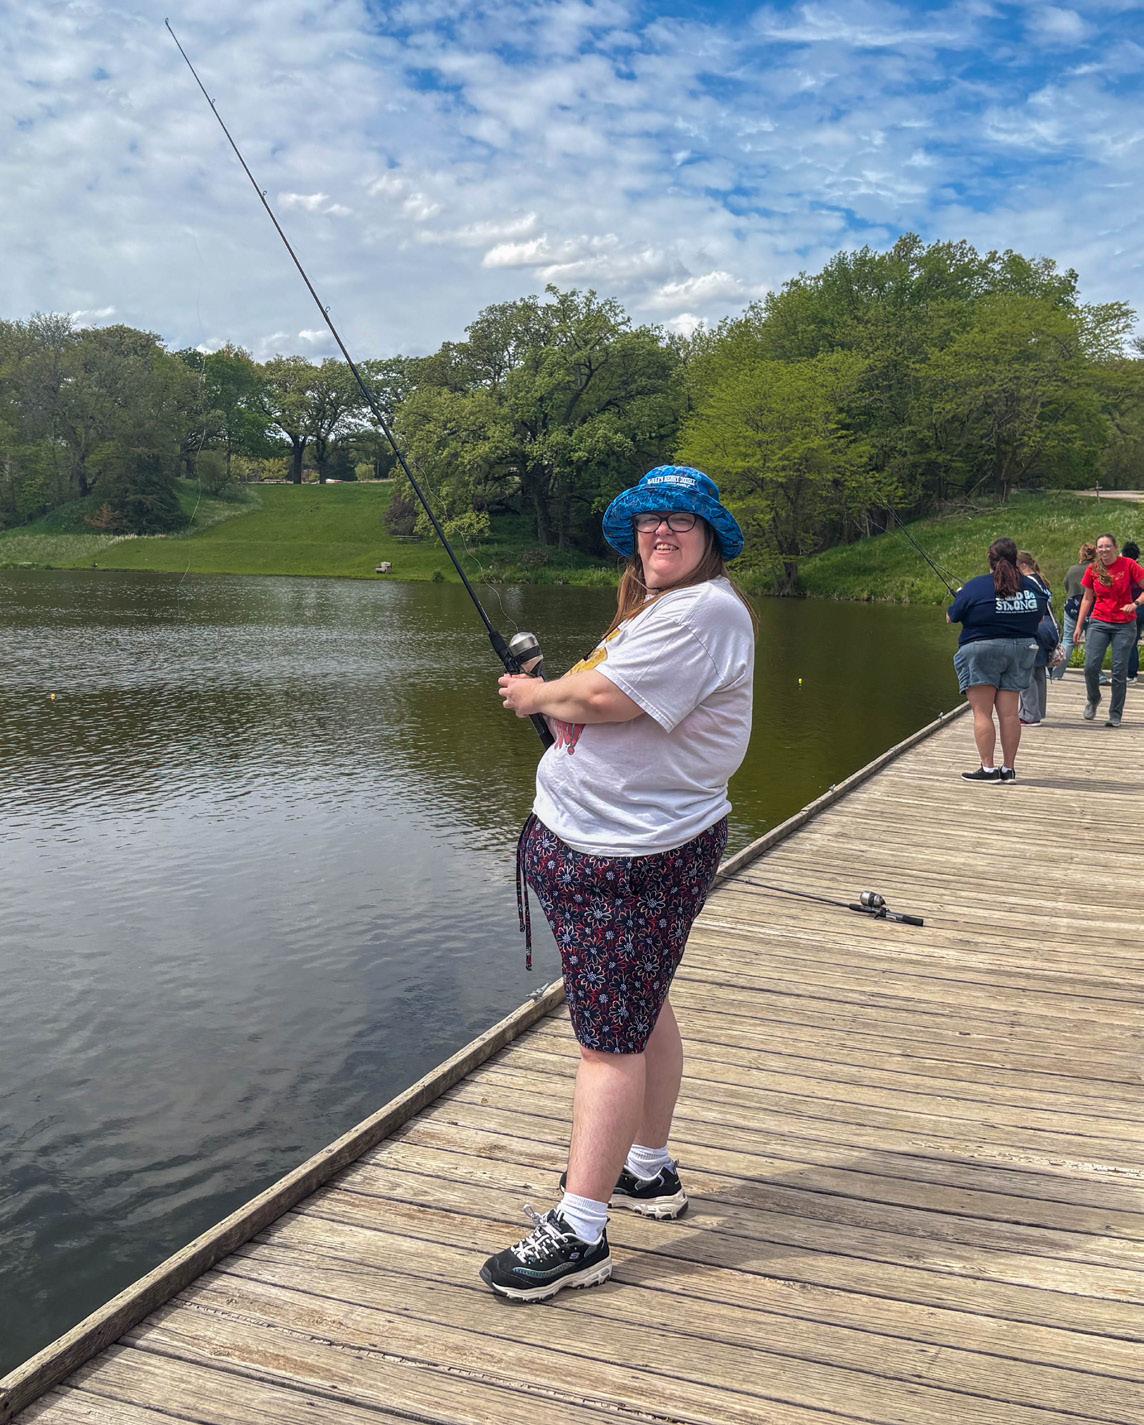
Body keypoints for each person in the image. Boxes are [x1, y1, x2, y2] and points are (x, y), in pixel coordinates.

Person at [481, 465, 755, 1301]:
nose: (661, 531)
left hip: (633, 860)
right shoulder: (656, 608)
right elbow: (601, 700)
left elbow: (606, 698)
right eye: (649, 520)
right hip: (599, 850)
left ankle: (581, 1230)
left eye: (680, 520)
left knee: (608, 1043)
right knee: (641, 1005)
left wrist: (542, 692)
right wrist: (555, 701)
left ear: (710, 537)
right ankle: (646, 1167)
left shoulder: (706, 611)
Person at [946, 537, 1048, 784]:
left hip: (981, 650)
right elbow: (1040, 616)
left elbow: (951, 617)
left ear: (989, 560)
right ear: (1016, 560)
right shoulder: (1033, 586)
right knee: (1010, 714)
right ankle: (1008, 769)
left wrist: (960, 597)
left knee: (982, 713)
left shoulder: (975, 587)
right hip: (1022, 650)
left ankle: (988, 768)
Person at [1074, 533, 1144, 727]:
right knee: (1090, 666)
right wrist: (1079, 626)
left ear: (1115, 547)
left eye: (1107, 546)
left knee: (1119, 670)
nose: (1104, 550)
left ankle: (1115, 714)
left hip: (1124, 623)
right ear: (1097, 550)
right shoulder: (1093, 569)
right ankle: (1093, 698)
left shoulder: (1128, 565)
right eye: (1100, 547)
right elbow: (1087, 598)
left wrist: (1135, 604)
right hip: (1099, 620)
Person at [1016, 550, 1056, 726]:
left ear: (1023, 565)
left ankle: (1030, 714)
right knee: (1038, 670)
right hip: (1047, 628)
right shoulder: (1040, 580)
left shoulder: (1026, 582)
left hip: (1034, 629)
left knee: (1025, 671)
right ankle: (1038, 711)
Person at [1050, 541, 1095, 681]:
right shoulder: (1097, 569)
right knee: (1092, 642)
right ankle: (1096, 675)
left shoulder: (1072, 570)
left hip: (1072, 606)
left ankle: (1057, 673)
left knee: (1068, 640)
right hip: (1092, 607)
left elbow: (1066, 585)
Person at [1122, 541, 1143, 683]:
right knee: (1133, 641)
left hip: (1131, 609)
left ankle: (1130, 673)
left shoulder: (1126, 570)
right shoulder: (1140, 568)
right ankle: (1131, 673)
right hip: (1141, 607)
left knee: (1129, 642)